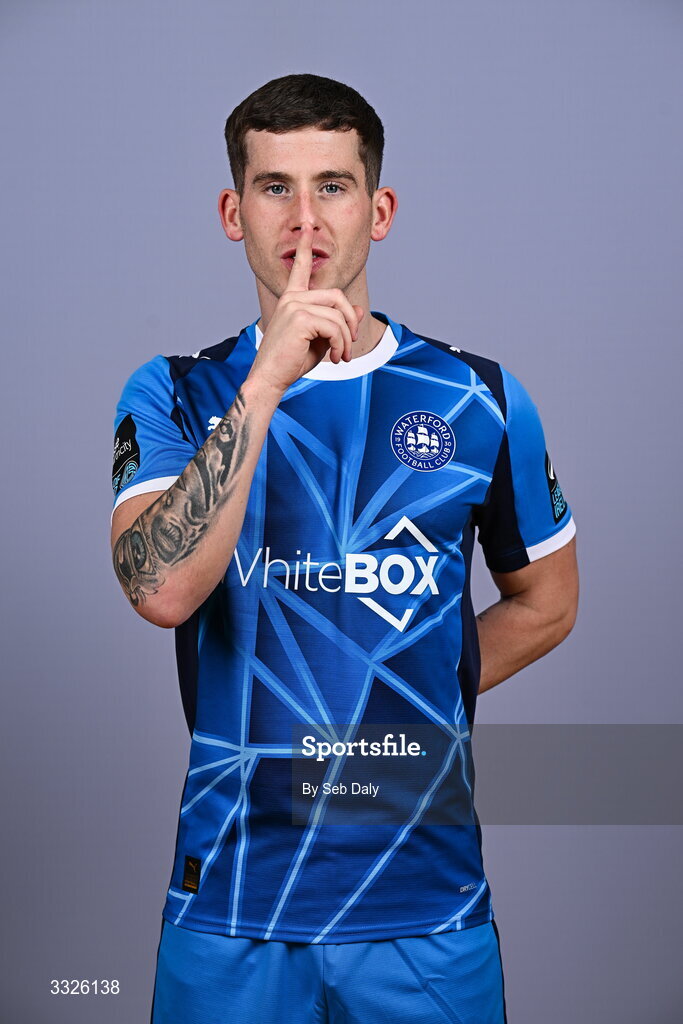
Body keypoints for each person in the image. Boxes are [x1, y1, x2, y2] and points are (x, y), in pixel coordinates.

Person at [110, 73, 578, 1024]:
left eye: (333, 184)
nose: (306, 220)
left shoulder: (477, 397)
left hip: (425, 907)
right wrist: (268, 378)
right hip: (232, 900)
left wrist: (398, 701)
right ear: (233, 212)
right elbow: (159, 589)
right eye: (275, 187)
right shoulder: (171, 393)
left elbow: (548, 601)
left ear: (381, 207)